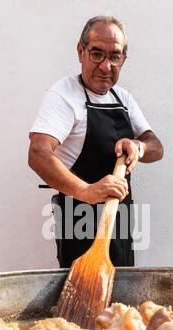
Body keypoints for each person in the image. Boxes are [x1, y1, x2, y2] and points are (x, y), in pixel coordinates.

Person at [28, 15, 163, 268]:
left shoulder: (122, 98)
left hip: (119, 221)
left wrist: (138, 147)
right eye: (97, 54)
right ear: (81, 51)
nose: (106, 66)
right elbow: (38, 153)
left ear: (123, 59)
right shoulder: (64, 95)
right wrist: (86, 191)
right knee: (81, 305)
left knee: (121, 303)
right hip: (78, 223)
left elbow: (156, 146)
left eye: (115, 56)